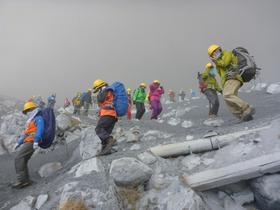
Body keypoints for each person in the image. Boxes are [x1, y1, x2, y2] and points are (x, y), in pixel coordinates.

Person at [208, 44, 255, 121]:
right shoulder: (217, 63)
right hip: (227, 81)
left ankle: (246, 108)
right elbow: (221, 75)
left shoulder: (227, 53)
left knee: (227, 95)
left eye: (217, 51)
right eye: (214, 53)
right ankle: (242, 115)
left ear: (220, 49)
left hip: (233, 77)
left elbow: (225, 63)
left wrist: (216, 61)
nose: (216, 53)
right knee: (228, 100)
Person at [12, 100, 44, 189]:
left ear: (33, 109)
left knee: (19, 158)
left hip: (32, 141)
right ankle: (25, 180)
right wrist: (19, 143)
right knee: (23, 160)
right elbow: (26, 134)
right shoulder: (31, 120)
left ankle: (22, 181)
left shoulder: (38, 118)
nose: (27, 113)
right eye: (26, 112)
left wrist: (36, 140)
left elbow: (40, 130)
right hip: (29, 140)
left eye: (28, 111)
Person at [93, 79, 117, 156]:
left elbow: (101, 99)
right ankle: (106, 150)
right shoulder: (109, 91)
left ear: (100, 87)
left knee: (98, 129)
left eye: (97, 89)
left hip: (108, 114)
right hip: (112, 115)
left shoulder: (105, 90)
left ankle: (110, 140)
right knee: (105, 132)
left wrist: (101, 92)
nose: (97, 91)